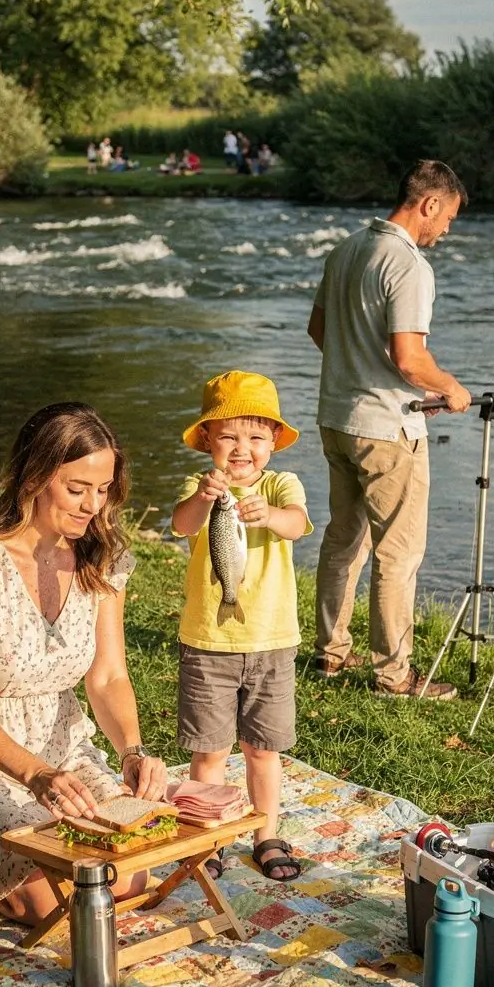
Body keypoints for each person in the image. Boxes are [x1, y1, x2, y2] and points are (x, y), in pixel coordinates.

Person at [0, 402, 169, 925]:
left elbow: (109, 676)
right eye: (77, 488)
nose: (94, 504)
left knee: (131, 874)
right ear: (36, 476)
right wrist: (35, 775)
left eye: (104, 488)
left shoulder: (101, 560)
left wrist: (132, 752)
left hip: (63, 751)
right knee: (51, 900)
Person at [307, 159, 472, 700]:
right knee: (397, 554)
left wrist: (358, 369)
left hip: (336, 419)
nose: (446, 229)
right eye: (446, 216)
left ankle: (330, 654)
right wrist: (449, 387)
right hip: (386, 430)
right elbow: (410, 358)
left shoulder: (346, 249)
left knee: (342, 541)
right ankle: (393, 676)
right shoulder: (408, 264)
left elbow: (318, 330)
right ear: (428, 204)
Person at [171, 371, 312, 882]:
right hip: (209, 642)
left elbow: (296, 523)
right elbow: (183, 524)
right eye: (227, 436)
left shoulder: (281, 484)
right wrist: (207, 498)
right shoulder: (200, 487)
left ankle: (266, 833)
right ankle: (208, 838)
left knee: (264, 750)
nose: (241, 449)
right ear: (206, 440)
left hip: (272, 641)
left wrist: (270, 514)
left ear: (273, 441)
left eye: (255, 437)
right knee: (209, 751)